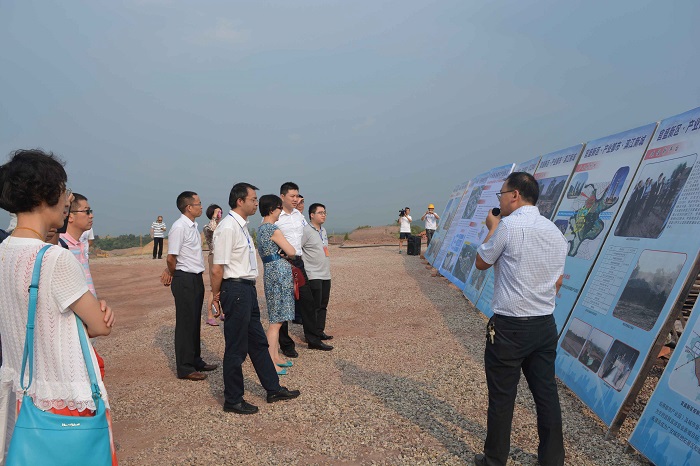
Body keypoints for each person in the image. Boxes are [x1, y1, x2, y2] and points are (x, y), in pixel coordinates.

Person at [0, 149, 117, 464]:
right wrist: (97, 312)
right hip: (62, 398)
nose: (68, 200)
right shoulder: (54, 258)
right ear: (44, 195)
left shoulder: (4, 251)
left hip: (21, 397)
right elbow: (99, 326)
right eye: (65, 191)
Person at [473, 172, 567, 466]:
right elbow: (558, 281)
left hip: (510, 327)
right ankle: (552, 460)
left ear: (514, 195)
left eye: (501, 194)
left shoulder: (507, 227)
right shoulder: (555, 231)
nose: (500, 200)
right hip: (545, 325)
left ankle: (494, 460)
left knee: (502, 397)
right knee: (546, 395)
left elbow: (481, 262)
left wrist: (492, 228)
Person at [210, 183, 300, 415]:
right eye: (253, 199)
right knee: (236, 347)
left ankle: (273, 388)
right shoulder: (228, 227)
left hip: (247, 289)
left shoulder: (243, 227)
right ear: (240, 201)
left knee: (258, 343)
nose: (256, 203)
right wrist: (216, 295)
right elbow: (217, 268)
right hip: (235, 289)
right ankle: (233, 399)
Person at [160, 192, 218, 381]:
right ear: (189, 207)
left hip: (195, 277)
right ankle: (185, 367)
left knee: (193, 321)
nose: (201, 207)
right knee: (186, 323)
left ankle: (195, 360)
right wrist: (173, 273)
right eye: (198, 204)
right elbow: (171, 257)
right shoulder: (179, 227)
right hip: (184, 278)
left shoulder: (192, 226)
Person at [276, 182, 332, 352]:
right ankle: (286, 345)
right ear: (282, 196)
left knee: (308, 303)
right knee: (284, 304)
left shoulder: (299, 217)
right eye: (292, 196)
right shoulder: (277, 217)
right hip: (283, 262)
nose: (296, 199)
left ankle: (313, 339)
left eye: (297, 196)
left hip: (299, 262)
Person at [257, 195, 298, 371]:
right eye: (279, 208)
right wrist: (286, 253)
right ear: (271, 209)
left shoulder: (260, 228)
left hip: (270, 271)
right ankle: (270, 362)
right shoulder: (273, 229)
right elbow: (292, 251)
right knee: (276, 321)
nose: (281, 211)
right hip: (279, 273)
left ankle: (274, 356)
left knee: (276, 318)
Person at [302, 203, 333, 341]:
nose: (323, 215)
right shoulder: (306, 231)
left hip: (325, 273)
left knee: (323, 305)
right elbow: (298, 249)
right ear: (312, 215)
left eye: (324, 212)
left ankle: (320, 331)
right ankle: (312, 335)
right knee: (313, 306)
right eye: (320, 212)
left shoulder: (323, 230)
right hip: (312, 274)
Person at [202, 204, 223, 326]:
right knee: (214, 287)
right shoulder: (207, 227)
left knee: (224, 285)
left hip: (223, 257)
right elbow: (212, 228)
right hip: (214, 256)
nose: (220, 215)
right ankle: (210, 314)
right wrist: (214, 216)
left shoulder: (222, 226)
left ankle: (222, 312)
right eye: (218, 212)